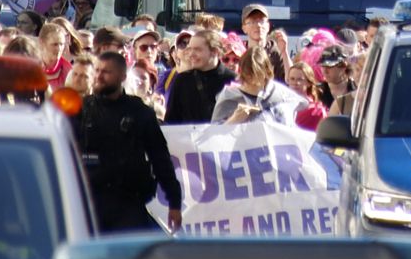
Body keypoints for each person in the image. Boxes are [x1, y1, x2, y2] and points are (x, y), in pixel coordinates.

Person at [75, 51, 184, 232]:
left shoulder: (139, 112)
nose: (99, 77)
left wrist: (174, 201)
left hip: (127, 203)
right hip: (88, 201)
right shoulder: (81, 109)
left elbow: (160, 158)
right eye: (97, 71)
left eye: (106, 72)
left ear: (122, 76)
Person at [211, 45, 306, 126]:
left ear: (266, 71)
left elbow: (301, 106)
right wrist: (233, 120)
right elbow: (214, 137)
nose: (251, 78)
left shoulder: (280, 95)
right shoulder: (229, 96)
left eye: (256, 73)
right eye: (247, 73)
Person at [165, 27, 234, 124]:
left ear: (215, 52)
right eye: (190, 49)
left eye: (197, 50)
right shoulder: (182, 80)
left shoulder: (232, 80)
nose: (191, 54)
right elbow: (171, 120)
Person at [239, 4, 289, 80]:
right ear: (244, 28)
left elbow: (291, 80)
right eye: (252, 22)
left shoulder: (276, 51)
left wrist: (284, 52)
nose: (258, 25)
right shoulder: (238, 51)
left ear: (268, 26)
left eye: (261, 21)